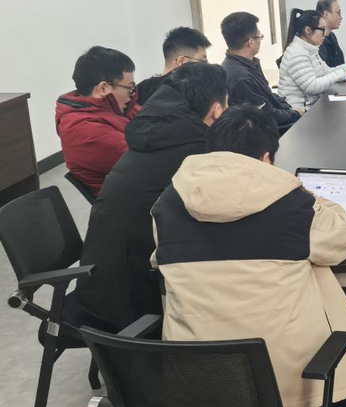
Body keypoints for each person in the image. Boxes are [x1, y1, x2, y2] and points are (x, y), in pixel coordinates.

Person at [152, 104, 346, 407]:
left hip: (204, 374)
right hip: (284, 372)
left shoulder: (168, 202)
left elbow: (159, 257)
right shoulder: (290, 203)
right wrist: (312, 196)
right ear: (266, 158)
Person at [74, 62, 228, 328]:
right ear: (217, 111)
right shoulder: (195, 150)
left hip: (101, 284)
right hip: (135, 305)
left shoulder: (154, 132)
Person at [55, 46, 140, 197]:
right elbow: (145, 160)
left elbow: (154, 122)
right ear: (103, 88)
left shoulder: (114, 106)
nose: (131, 94)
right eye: (129, 88)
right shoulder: (83, 129)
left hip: (139, 186)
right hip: (127, 200)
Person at [220, 11, 304, 134]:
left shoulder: (245, 64)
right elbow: (265, 115)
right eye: (259, 36)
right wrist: (295, 114)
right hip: (265, 133)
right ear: (251, 42)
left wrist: (290, 110)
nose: (260, 40)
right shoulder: (240, 77)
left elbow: (267, 96)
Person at [278, 9, 346, 108]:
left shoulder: (310, 49)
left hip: (313, 104)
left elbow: (327, 72)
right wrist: (343, 74)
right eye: (322, 29)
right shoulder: (297, 54)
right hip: (300, 110)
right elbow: (312, 87)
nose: (325, 34)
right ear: (308, 30)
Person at [136, 27, 210, 105]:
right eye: (203, 61)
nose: (207, 66)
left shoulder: (141, 89)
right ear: (182, 61)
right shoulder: (189, 90)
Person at [317, 0, 346, 76]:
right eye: (338, 13)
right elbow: (325, 74)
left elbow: (339, 65)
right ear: (326, 14)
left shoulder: (332, 37)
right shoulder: (317, 41)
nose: (341, 17)